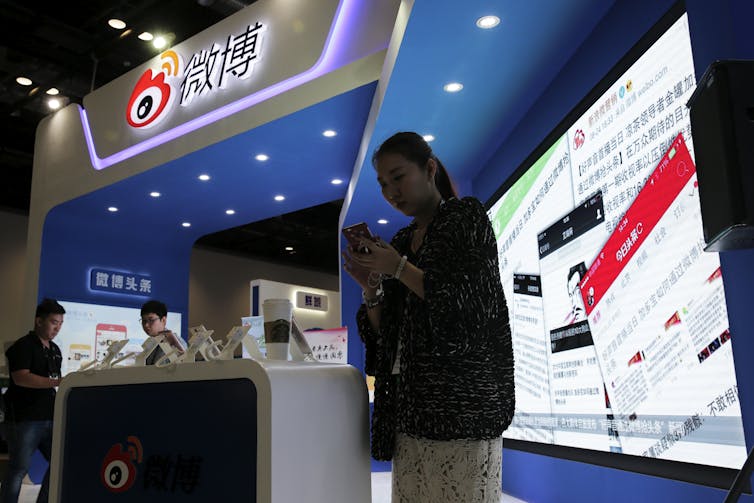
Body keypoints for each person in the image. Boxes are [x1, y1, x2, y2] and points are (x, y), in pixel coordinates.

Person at [342, 132, 515, 502]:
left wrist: (399, 267)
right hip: (411, 413)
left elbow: (468, 310)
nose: (391, 192)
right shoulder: (402, 241)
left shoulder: (464, 217)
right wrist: (371, 288)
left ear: (430, 168)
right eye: (384, 184)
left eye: (398, 176)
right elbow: (386, 340)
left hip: (462, 410)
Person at [1, 298, 64, 503]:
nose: (57, 327)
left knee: (58, 463)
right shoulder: (23, 346)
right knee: (18, 469)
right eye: (54, 322)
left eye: (60, 323)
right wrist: (55, 382)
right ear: (39, 321)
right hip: (24, 419)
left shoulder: (55, 350)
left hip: (49, 417)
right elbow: (21, 377)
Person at [140, 300, 183, 365]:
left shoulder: (176, 342)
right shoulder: (151, 342)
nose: (146, 325)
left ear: (163, 320)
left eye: (151, 320)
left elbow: (184, 368)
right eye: (144, 321)